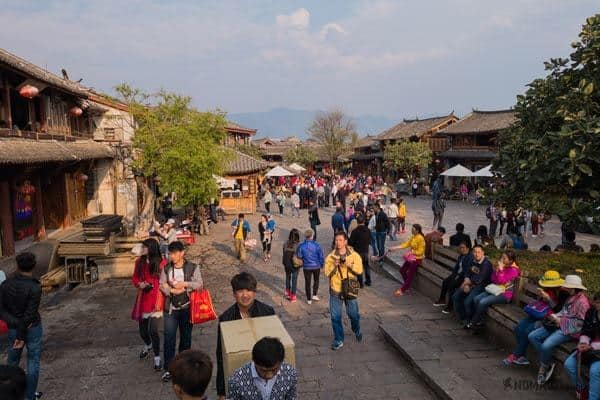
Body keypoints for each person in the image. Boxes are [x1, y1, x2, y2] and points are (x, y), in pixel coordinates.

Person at [216, 273, 275, 399]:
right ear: (234, 294)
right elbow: (221, 355)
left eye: (249, 290)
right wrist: (222, 392)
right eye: (240, 291)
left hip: (264, 375)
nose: (245, 295)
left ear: (255, 292)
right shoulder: (226, 319)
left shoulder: (267, 312)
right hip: (239, 374)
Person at [528, 275, 590, 385]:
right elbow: (564, 312)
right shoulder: (571, 297)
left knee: (546, 345)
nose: (565, 288)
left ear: (573, 288)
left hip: (569, 331)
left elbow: (581, 323)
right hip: (559, 324)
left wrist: (560, 321)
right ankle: (548, 361)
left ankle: (543, 368)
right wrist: (554, 316)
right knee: (532, 336)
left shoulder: (583, 303)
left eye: (567, 287)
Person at [0, 253, 43, 400]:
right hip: (32, 328)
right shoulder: (35, 287)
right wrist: (21, 331)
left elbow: (2, 310)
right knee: (33, 362)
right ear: (34, 265)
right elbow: (30, 314)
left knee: (12, 363)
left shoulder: (5, 285)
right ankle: (29, 396)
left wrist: (15, 326)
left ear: (17, 266)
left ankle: (9, 394)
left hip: (13, 328)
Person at [503, 270, 568, 366]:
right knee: (518, 328)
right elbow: (540, 305)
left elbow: (558, 310)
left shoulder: (563, 293)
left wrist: (549, 299)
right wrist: (541, 297)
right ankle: (521, 356)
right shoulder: (546, 289)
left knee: (527, 331)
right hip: (537, 314)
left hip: (549, 319)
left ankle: (516, 355)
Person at [159, 241, 203, 382]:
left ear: (182, 253)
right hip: (171, 309)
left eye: (175, 253)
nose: (172, 256)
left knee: (186, 338)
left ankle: (184, 366)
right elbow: (162, 284)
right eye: (170, 253)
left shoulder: (193, 267)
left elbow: (199, 284)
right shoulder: (166, 268)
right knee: (169, 339)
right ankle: (169, 368)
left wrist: (185, 285)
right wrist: (171, 290)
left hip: (187, 307)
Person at [132, 238, 167, 371]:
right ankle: (148, 345)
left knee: (153, 330)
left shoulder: (161, 263)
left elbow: (164, 280)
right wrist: (140, 284)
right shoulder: (139, 262)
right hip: (143, 298)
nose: (143, 249)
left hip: (157, 299)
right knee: (142, 331)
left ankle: (157, 358)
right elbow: (135, 277)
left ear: (151, 248)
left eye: (145, 247)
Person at [324, 232, 364, 350]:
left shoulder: (354, 255)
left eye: (340, 240)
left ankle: (356, 328)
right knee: (335, 316)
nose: (338, 242)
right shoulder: (331, 257)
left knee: (353, 314)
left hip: (350, 289)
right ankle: (339, 339)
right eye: (336, 240)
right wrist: (335, 265)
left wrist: (349, 265)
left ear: (346, 241)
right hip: (336, 289)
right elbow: (327, 273)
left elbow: (359, 271)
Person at [466, 250, 520, 332]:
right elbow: (494, 280)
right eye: (501, 257)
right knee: (476, 299)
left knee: (482, 302)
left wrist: (501, 270)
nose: (502, 260)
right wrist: (496, 271)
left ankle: (473, 322)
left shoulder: (514, 270)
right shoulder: (503, 267)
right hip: (495, 290)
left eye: (504, 258)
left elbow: (502, 281)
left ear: (511, 260)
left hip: (505, 295)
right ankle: (481, 321)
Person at [227, 337, 297, 400]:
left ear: (281, 362)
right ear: (254, 361)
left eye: (274, 369)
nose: (269, 375)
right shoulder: (236, 381)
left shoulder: (290, 374)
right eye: (263, 370)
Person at [563, 292, 600, 400]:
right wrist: (583, 343)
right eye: (597, 302)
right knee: (569, 364)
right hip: (590, 348)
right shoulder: (591, 312)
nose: (598, 305)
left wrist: (593, 347)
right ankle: (582, 389)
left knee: (595, 370)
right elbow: (586, 331)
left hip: (595, 349)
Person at [452, 245, 493, 325]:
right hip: (469, 284)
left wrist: (467, 284)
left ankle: (470, 320)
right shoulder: (473, 261)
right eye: (475, 252)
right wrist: (466, 280)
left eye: (478, 252)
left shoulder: (486, 264)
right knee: (455, 296)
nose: (476, 254)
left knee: (467, 302)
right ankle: (463, 318)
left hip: (481, 286)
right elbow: (467, 272)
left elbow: (479, 279)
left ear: (482, 253)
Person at [433, 241, 473, 313]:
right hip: (457, 274)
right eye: (461, 248)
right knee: (445, 281)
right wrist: (453, 275)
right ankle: (442, 300)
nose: (462, 249)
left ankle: (450, 306)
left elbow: (466, 271)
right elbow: (456, 267)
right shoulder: (461, 255)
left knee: (452, 285)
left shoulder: (470, 257)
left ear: (468, 248)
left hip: (464, 277)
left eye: (463, 248)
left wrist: (457, 276)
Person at [390, 224, 426, 297]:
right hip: (411, 257)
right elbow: (406, 244)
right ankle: (407, 285)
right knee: (402, 270)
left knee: (410, 274)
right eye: (412, 229)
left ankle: (403, 289)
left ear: (417, 230)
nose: (411, 230)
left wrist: (412, 252)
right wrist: (395, 248)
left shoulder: (421, 238)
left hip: (417, 259)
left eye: (413, 229)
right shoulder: (413, 237)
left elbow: (421, 251)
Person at [296, 229, 325, 305]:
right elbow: (321, 256)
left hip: (306, 267)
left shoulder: (301, 246)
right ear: (312, 235)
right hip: (316, 266)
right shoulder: (317, 245)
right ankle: (314, 294)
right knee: (316, 280)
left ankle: (309, 299)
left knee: (307, 282)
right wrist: (322, 264)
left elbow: (299, 256)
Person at [349, 213, 372, 287]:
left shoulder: (355, 231)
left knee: (359, 267)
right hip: (365, 251)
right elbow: (370, 240)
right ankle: (368, 281)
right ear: (364, 221)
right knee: (366, 266)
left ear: (357, 222)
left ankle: (360, 283)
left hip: (357, 252)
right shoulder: (368, 230)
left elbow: (351, 243)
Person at [282, 229, 301, 302]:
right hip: (294, 265)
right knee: (294, 279)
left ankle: (287, 291)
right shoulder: (298, 245)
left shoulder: (285, 243)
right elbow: (300, 255)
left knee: (288, 277)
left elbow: (284, 252)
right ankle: (293, 296)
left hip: (286, 263)